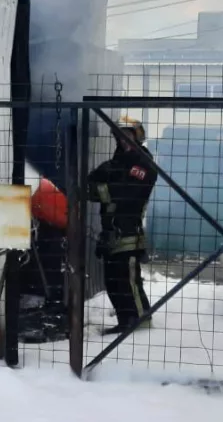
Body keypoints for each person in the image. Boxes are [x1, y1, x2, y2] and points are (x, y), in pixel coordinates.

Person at [87, 115, 157, 335]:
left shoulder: (143, 162)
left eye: (128, 135)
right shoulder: (113, 163)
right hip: (110, 232)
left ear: (137, 136)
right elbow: (89, 185)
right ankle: (125, 321)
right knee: (113, 281)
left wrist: (105, 189)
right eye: (120, 135)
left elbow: (130, 194)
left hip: (129, 231)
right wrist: (106, 187)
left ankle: (140, 322)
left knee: (128, 281)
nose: (123, 139)